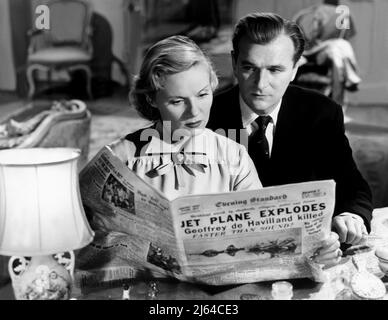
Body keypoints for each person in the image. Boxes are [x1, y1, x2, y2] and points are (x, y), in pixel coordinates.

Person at [207, 12, 373, 252]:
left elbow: (352, 185)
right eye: (249, 67)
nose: (261, 83)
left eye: (275, 70)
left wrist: (352, 216)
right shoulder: (204, 116)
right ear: (234, 62)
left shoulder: (322, 113)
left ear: (295, 69)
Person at [107, 35, 261, 200]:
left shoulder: (234, 157)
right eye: (177, 101)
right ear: (151, 99)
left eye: (202, 94)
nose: (194, 112)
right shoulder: (121, 158)